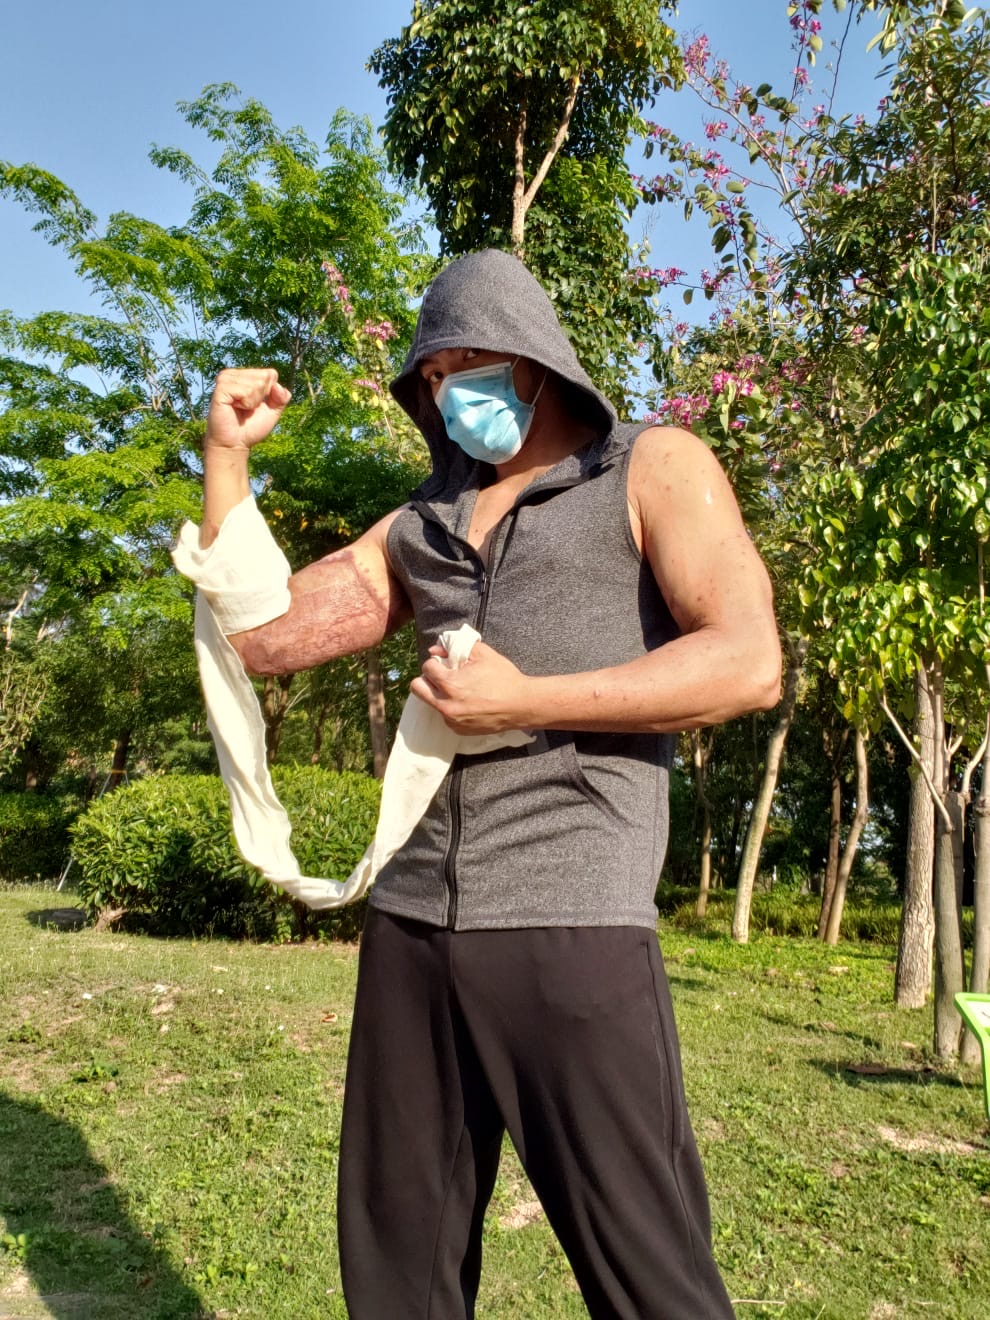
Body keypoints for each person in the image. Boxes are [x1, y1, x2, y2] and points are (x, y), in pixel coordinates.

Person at [191, 249, 780, 1319]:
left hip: (572, 922)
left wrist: (525, 699)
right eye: (431, 373)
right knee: (397, 1268)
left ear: (533, 357)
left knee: (648, 1272)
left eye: (468, 361)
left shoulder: (650, 467)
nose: (448, 387)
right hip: (412, 926)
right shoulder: (420, 524)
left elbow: (747, 661)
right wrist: (225, 459)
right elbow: (266, 637)